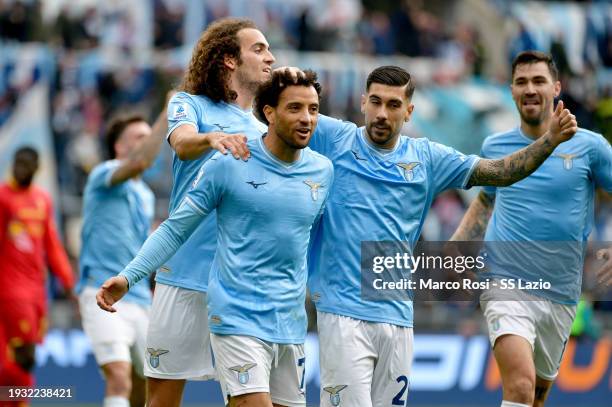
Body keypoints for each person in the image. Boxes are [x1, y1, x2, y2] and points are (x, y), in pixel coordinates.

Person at [303, 64, 578, 407]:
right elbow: (277, 116)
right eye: (375, 102)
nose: (382, 113)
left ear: (409, 111)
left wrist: (549, 141)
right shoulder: (334, 137)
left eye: (392, 104)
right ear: (362, 103)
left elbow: (498, 173)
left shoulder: (428, 158)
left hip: (399, 319)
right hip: (341, 315)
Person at [97, 70, 333, 407]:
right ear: (269, 113)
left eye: (313, 109)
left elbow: (318, 241)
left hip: (291, 323)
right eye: (295, 108)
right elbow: (175, 227)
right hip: (237, 315)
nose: (306, 118)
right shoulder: (230, 162)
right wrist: (128, 277)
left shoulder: (322, 170)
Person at [95, 18, 273, 407]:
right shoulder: (188, 104)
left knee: (250, 400)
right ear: (229, 59)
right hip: (182, 279)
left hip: (239, 286)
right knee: (161, 399)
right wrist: (212, 138)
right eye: (258, 49)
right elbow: (182, 143)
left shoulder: (264, 130)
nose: (269, 57)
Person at [450, 51, 611, 407]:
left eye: (538, 81)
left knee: (536, 396)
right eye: (522, 81)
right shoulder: (495, 146)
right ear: (511, 90)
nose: (530, 89)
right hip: (503, 279)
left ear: (556, 87)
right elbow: (485, 201)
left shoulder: (590, 146)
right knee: (520, 386)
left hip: (562, 291)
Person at [77, 110, 167, 407]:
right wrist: (168, 112)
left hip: (140, 298)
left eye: (148, 136)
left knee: (148, 382)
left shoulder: (145, 194)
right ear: (119, 146)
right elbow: (140, 161)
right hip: (100, 291)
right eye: (139, 137)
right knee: (119, 375)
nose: (147, 141)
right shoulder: (103, 174)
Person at [0, 147, 75, 396]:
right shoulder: (3, 199)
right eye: (17, 165)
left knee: (22, 363)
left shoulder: (42, 200)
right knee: (18, 361)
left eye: (25, 166)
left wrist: (67, 281)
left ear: (36, 169)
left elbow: (52, 246)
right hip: (10, 292)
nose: (20, 171)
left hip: (35, 294)